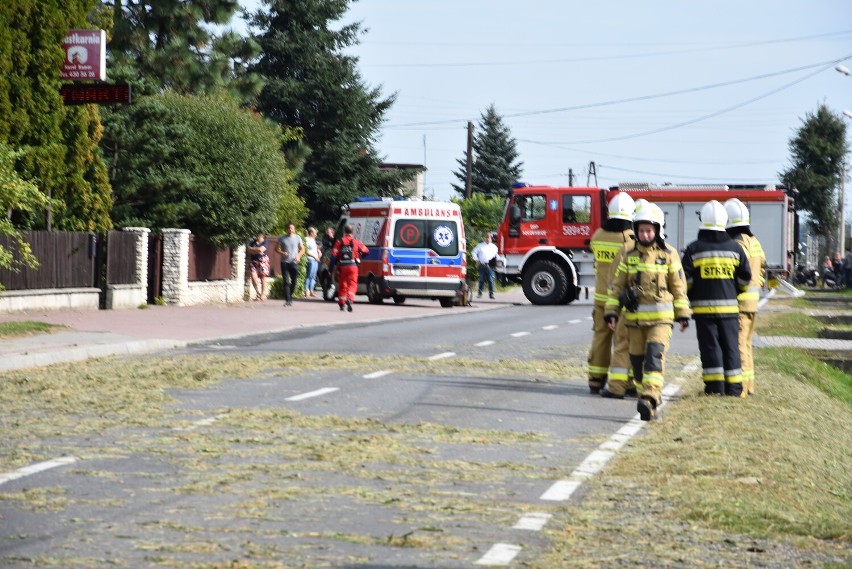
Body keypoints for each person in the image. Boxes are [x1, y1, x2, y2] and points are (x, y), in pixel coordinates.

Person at [604, 201, 691, 420]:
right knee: (637, 364)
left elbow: (678, 288)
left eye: (649, 230)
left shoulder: (669, 254)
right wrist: (612, 312)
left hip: (661, 321)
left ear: (658, 230)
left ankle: (650, 397)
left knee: (654, 358)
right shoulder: (629, 255)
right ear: (635, 230)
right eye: (641, 230)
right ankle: (648, 397)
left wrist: (683, 315)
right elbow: (617, 287)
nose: (644, 234)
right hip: (634, 322)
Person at [681, 200, 752, 397]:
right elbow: (745, 279)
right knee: (731, 348)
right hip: (730, 310)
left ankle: (715, 388)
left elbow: (685, 281)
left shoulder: (693, 249)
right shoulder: (736, 249)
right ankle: (735, 388)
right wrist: (733, 291)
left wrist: (694, 295)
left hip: (703, 312)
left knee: (710, 348)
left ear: (702, 220)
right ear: (724, 220)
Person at [587, 192, 635, 394]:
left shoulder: (597, 235)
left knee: (600, 338)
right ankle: (627, 382)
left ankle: (595, 379)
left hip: (600, 297)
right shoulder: (629, 240)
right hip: (620, 298)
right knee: (624, 341)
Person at [724, 199, 766, 397]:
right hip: (752, 302)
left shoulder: (736, 243)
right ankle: (749, 385)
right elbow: (762, 268)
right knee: (747, 344)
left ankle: (740, 389)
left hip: (740, 301)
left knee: (739, 344)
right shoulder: (754, 241)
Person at [331, 224, 369, 312]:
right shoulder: (356, 241)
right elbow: (366, 251)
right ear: (352, 232)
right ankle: (350, 299)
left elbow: (333, 256)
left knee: (342, 285)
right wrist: (359, 257)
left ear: (344, 231)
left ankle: (342, 302)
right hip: (353, 266)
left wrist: (331, 268)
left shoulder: (339, 242)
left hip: (342, 266)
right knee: (352, 284)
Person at [275, 223, 305, 307]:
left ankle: (290, 296)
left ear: (294, 229)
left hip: (294, 262)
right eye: (288, 228)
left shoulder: (297, 238)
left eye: (292, 228)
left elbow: (302, 248)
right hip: (284, 262)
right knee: (286, 281)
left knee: (294, 281)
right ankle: (288, 300)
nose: (290, 229)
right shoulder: (282, 238)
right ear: (286, 229)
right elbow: (276, 249)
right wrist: (282, 253)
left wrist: (299, 255)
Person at [471, 232, 498, 299]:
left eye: (489, 237)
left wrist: (498, 263)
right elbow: (473, 252)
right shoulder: (480, 245)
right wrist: (477, 260)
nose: (488, 239)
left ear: (491, 239)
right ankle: (480, 294)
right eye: (487, 237)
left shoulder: (494, 247)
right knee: (481, 279)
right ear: (485, 238)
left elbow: (497, 256)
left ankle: (491, 294)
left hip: (491, 266)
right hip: (482, 265)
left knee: (491, 280)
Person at [247, 232, 270, 301]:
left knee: (263, 277)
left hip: (263, 261)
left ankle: (263, 294)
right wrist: (256, 250)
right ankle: (258, 293)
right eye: (257, 235)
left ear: (262, 236)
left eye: (259, 235)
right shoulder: (252, 242)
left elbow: (261, 249)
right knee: (253, 277)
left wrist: (253, 249)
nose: (257, 236)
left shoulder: (265, 242)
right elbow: (248, 250)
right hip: (254, 261)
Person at [304, 227, 320, 297]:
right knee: (309, 275)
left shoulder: (313, 240)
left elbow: (315, 249)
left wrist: (319, 252)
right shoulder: (307, 239)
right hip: (310, 259)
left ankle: (311, 290)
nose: (316, 234)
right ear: (311, 233)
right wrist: (314, 256)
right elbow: (306, 251)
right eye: (315, 232)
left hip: (315, 259)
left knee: (313, 276)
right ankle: (306, 290)